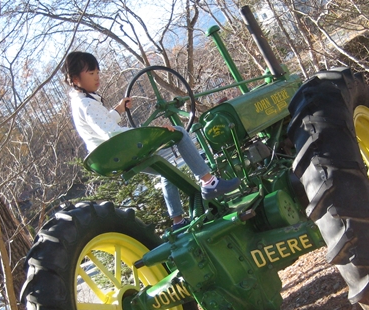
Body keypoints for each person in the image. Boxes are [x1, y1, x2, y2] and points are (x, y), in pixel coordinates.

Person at [63, 51, 240, 229]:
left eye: (97, 72)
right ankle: (209, 182)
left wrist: (118, 110)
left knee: (164, 167)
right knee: (179, 132)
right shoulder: (87, 104)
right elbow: (111, 133)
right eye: (91, 73)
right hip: (116, 150)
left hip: (110, 156)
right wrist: (152, 132)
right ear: (75, 79)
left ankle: (178, 221)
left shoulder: (83, 102)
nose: (97, 77)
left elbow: (103, 124)